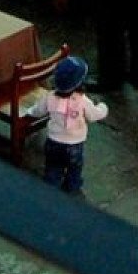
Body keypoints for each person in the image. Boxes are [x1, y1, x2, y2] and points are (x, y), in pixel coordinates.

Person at [25, 54, 108, 196]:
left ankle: (51, 191)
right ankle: (71, 189)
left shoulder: (50, 97)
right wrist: (103, 107)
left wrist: (29, 111)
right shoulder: (83, 101)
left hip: (53, 143)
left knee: (52, 168)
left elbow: (38, 111)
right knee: (74, 170)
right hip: (75, 145)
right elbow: (94, 116)